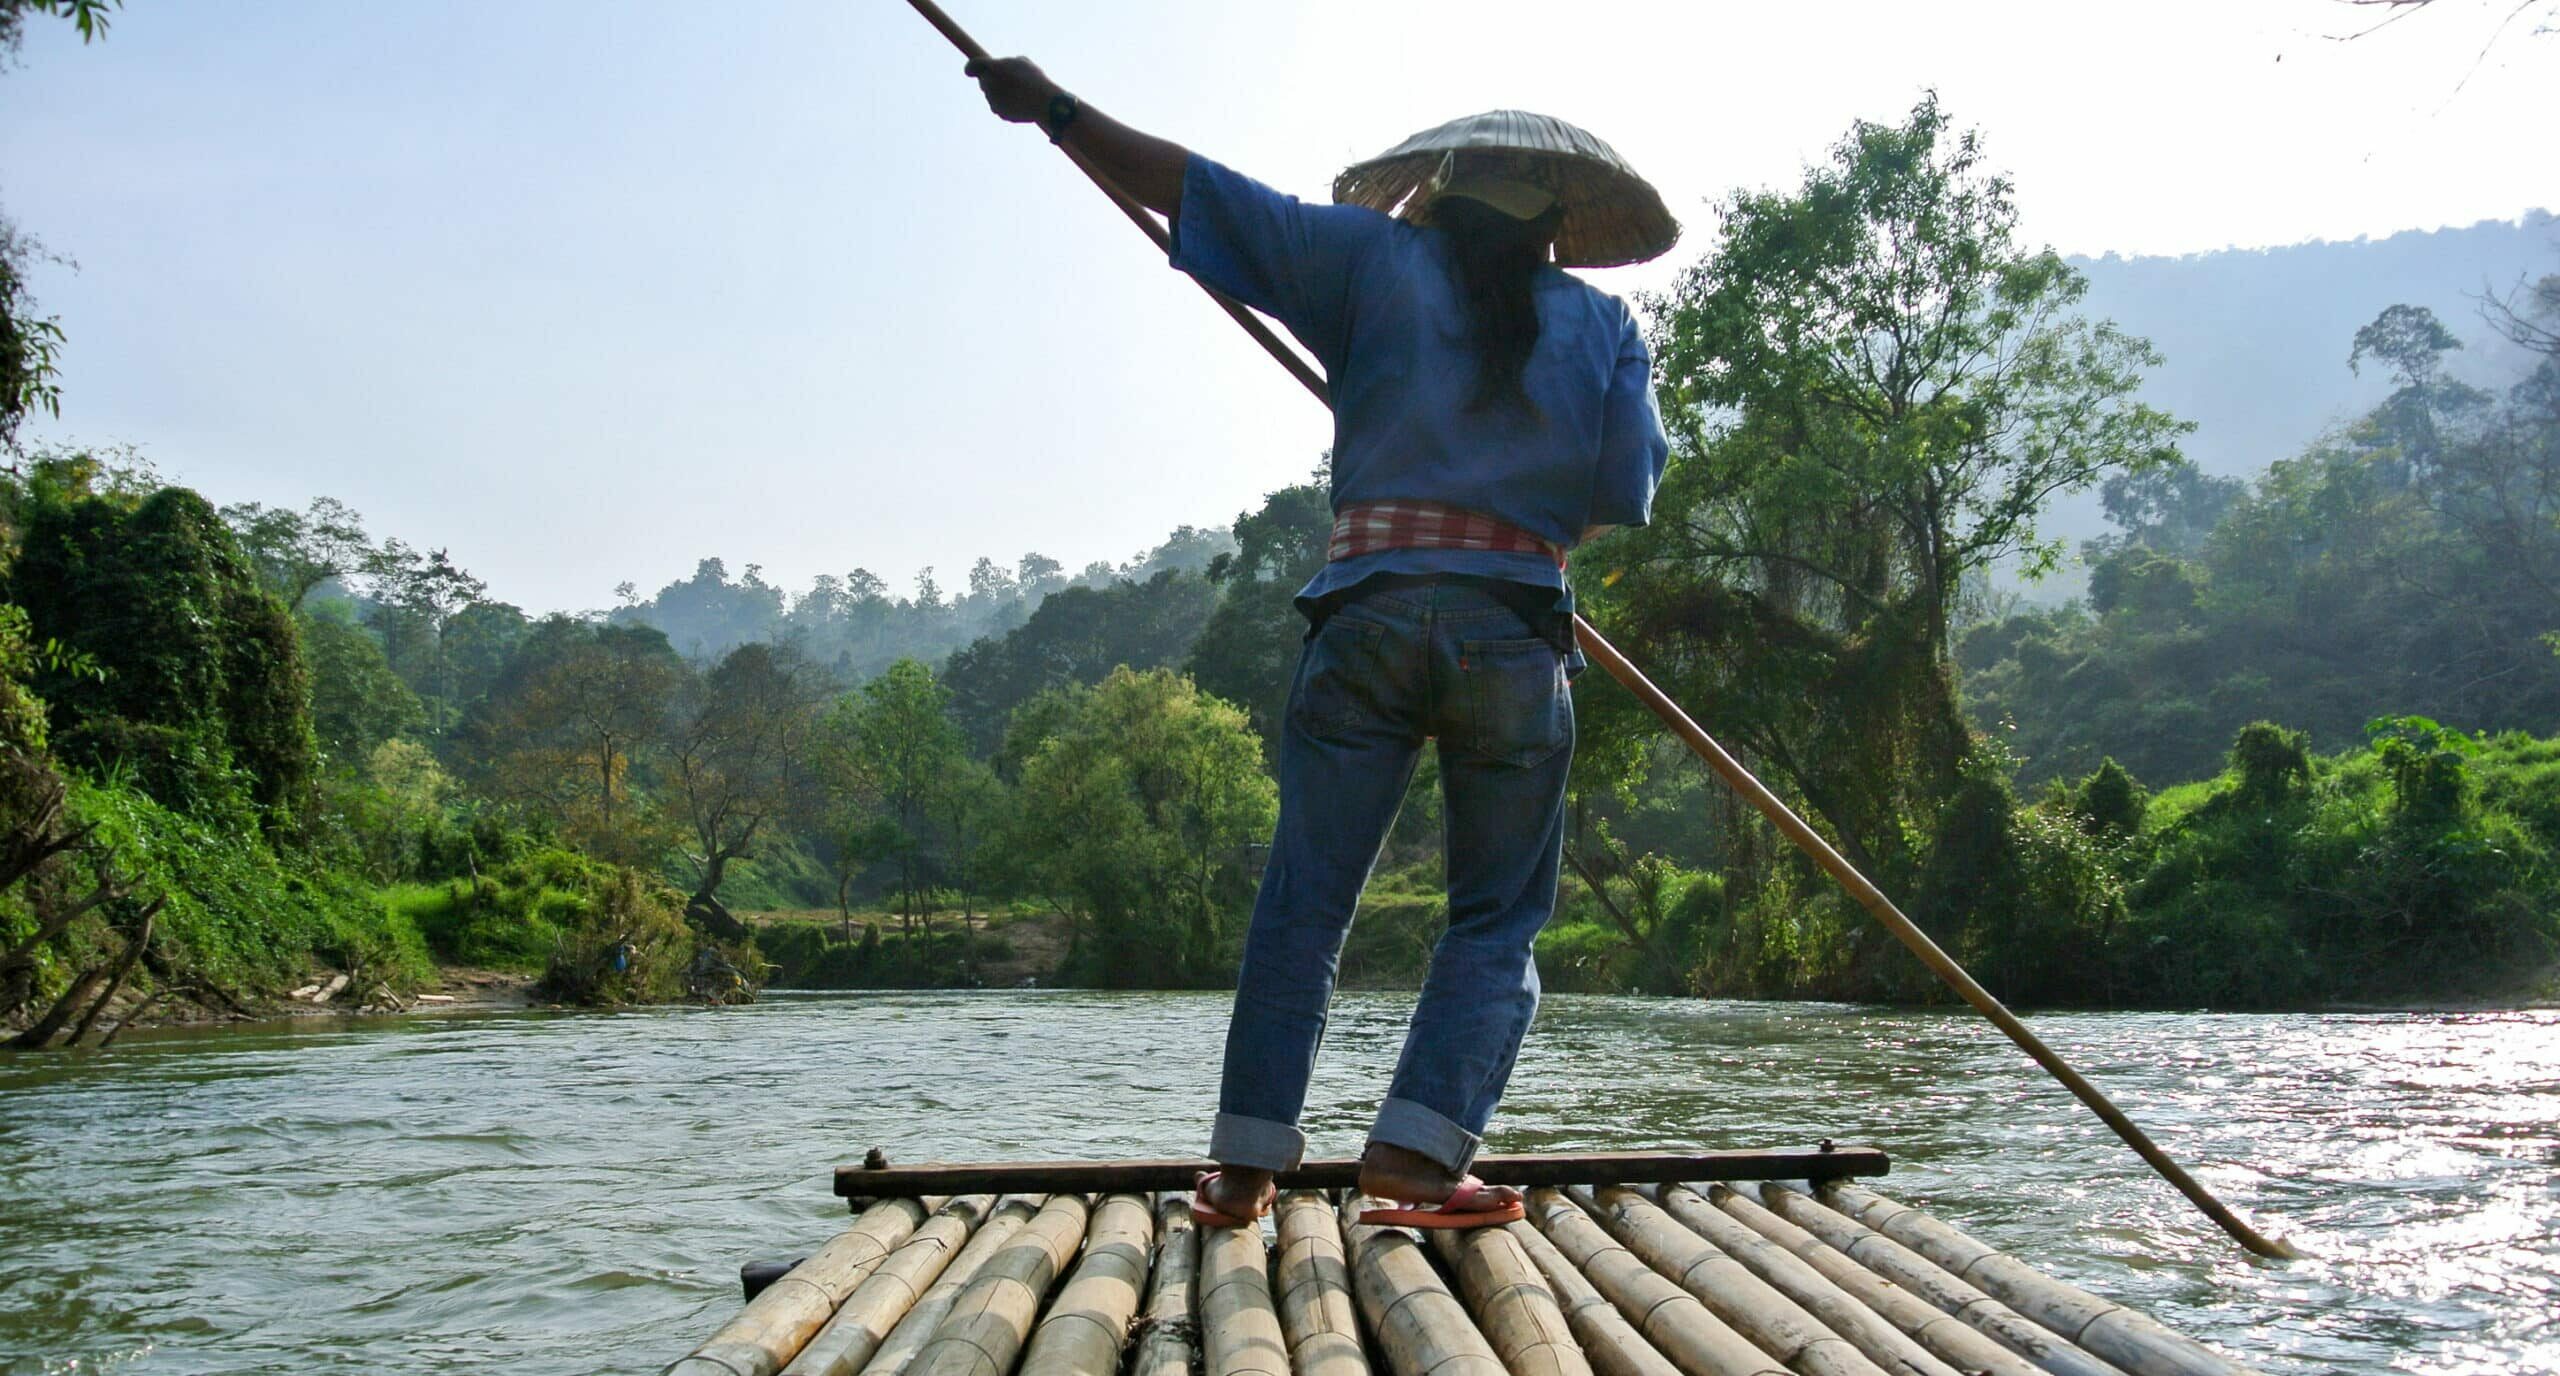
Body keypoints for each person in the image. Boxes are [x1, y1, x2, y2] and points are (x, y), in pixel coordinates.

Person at [965, 58, 1673, 1229]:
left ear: (1437, 196)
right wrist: (1513, 527)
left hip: (1368, 618)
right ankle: (1416, 1152)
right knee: (1496, 915)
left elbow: (1193, 189)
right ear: (1555, 228)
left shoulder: (1364, 256)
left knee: (1305, 898)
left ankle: (1243, 1168)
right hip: (1513, 632)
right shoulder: (1602, 323)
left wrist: (1054, 110)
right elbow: (1622, 493)